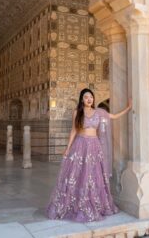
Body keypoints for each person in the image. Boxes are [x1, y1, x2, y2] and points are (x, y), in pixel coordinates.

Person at [46, 88, 132, 222]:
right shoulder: (77, 112)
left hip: (94, 146)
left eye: (91, 97)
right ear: (82, 99)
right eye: (86, 97)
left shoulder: (99, 112)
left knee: (93, 175)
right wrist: (68, 148)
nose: (89, 99)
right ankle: (75, 204)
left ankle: (94, 203)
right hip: (80, 145)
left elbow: (113, 116)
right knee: (78, 174)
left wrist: (128, 108)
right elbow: (74, 131)